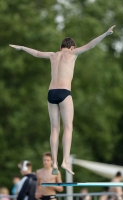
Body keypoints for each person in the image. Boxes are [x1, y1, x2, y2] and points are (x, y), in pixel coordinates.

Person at [9, 25, 116, 175]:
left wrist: (21, 47)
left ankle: (54, 163)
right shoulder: (73, 54)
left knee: (54, 129)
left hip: (51, 93)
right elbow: (90, 45)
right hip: (64, 92)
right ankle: (65, 161)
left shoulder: (53, 55)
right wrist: (106, 33)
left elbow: (36, 53)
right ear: (72, 47)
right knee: (68, 127)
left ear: (60, 47)